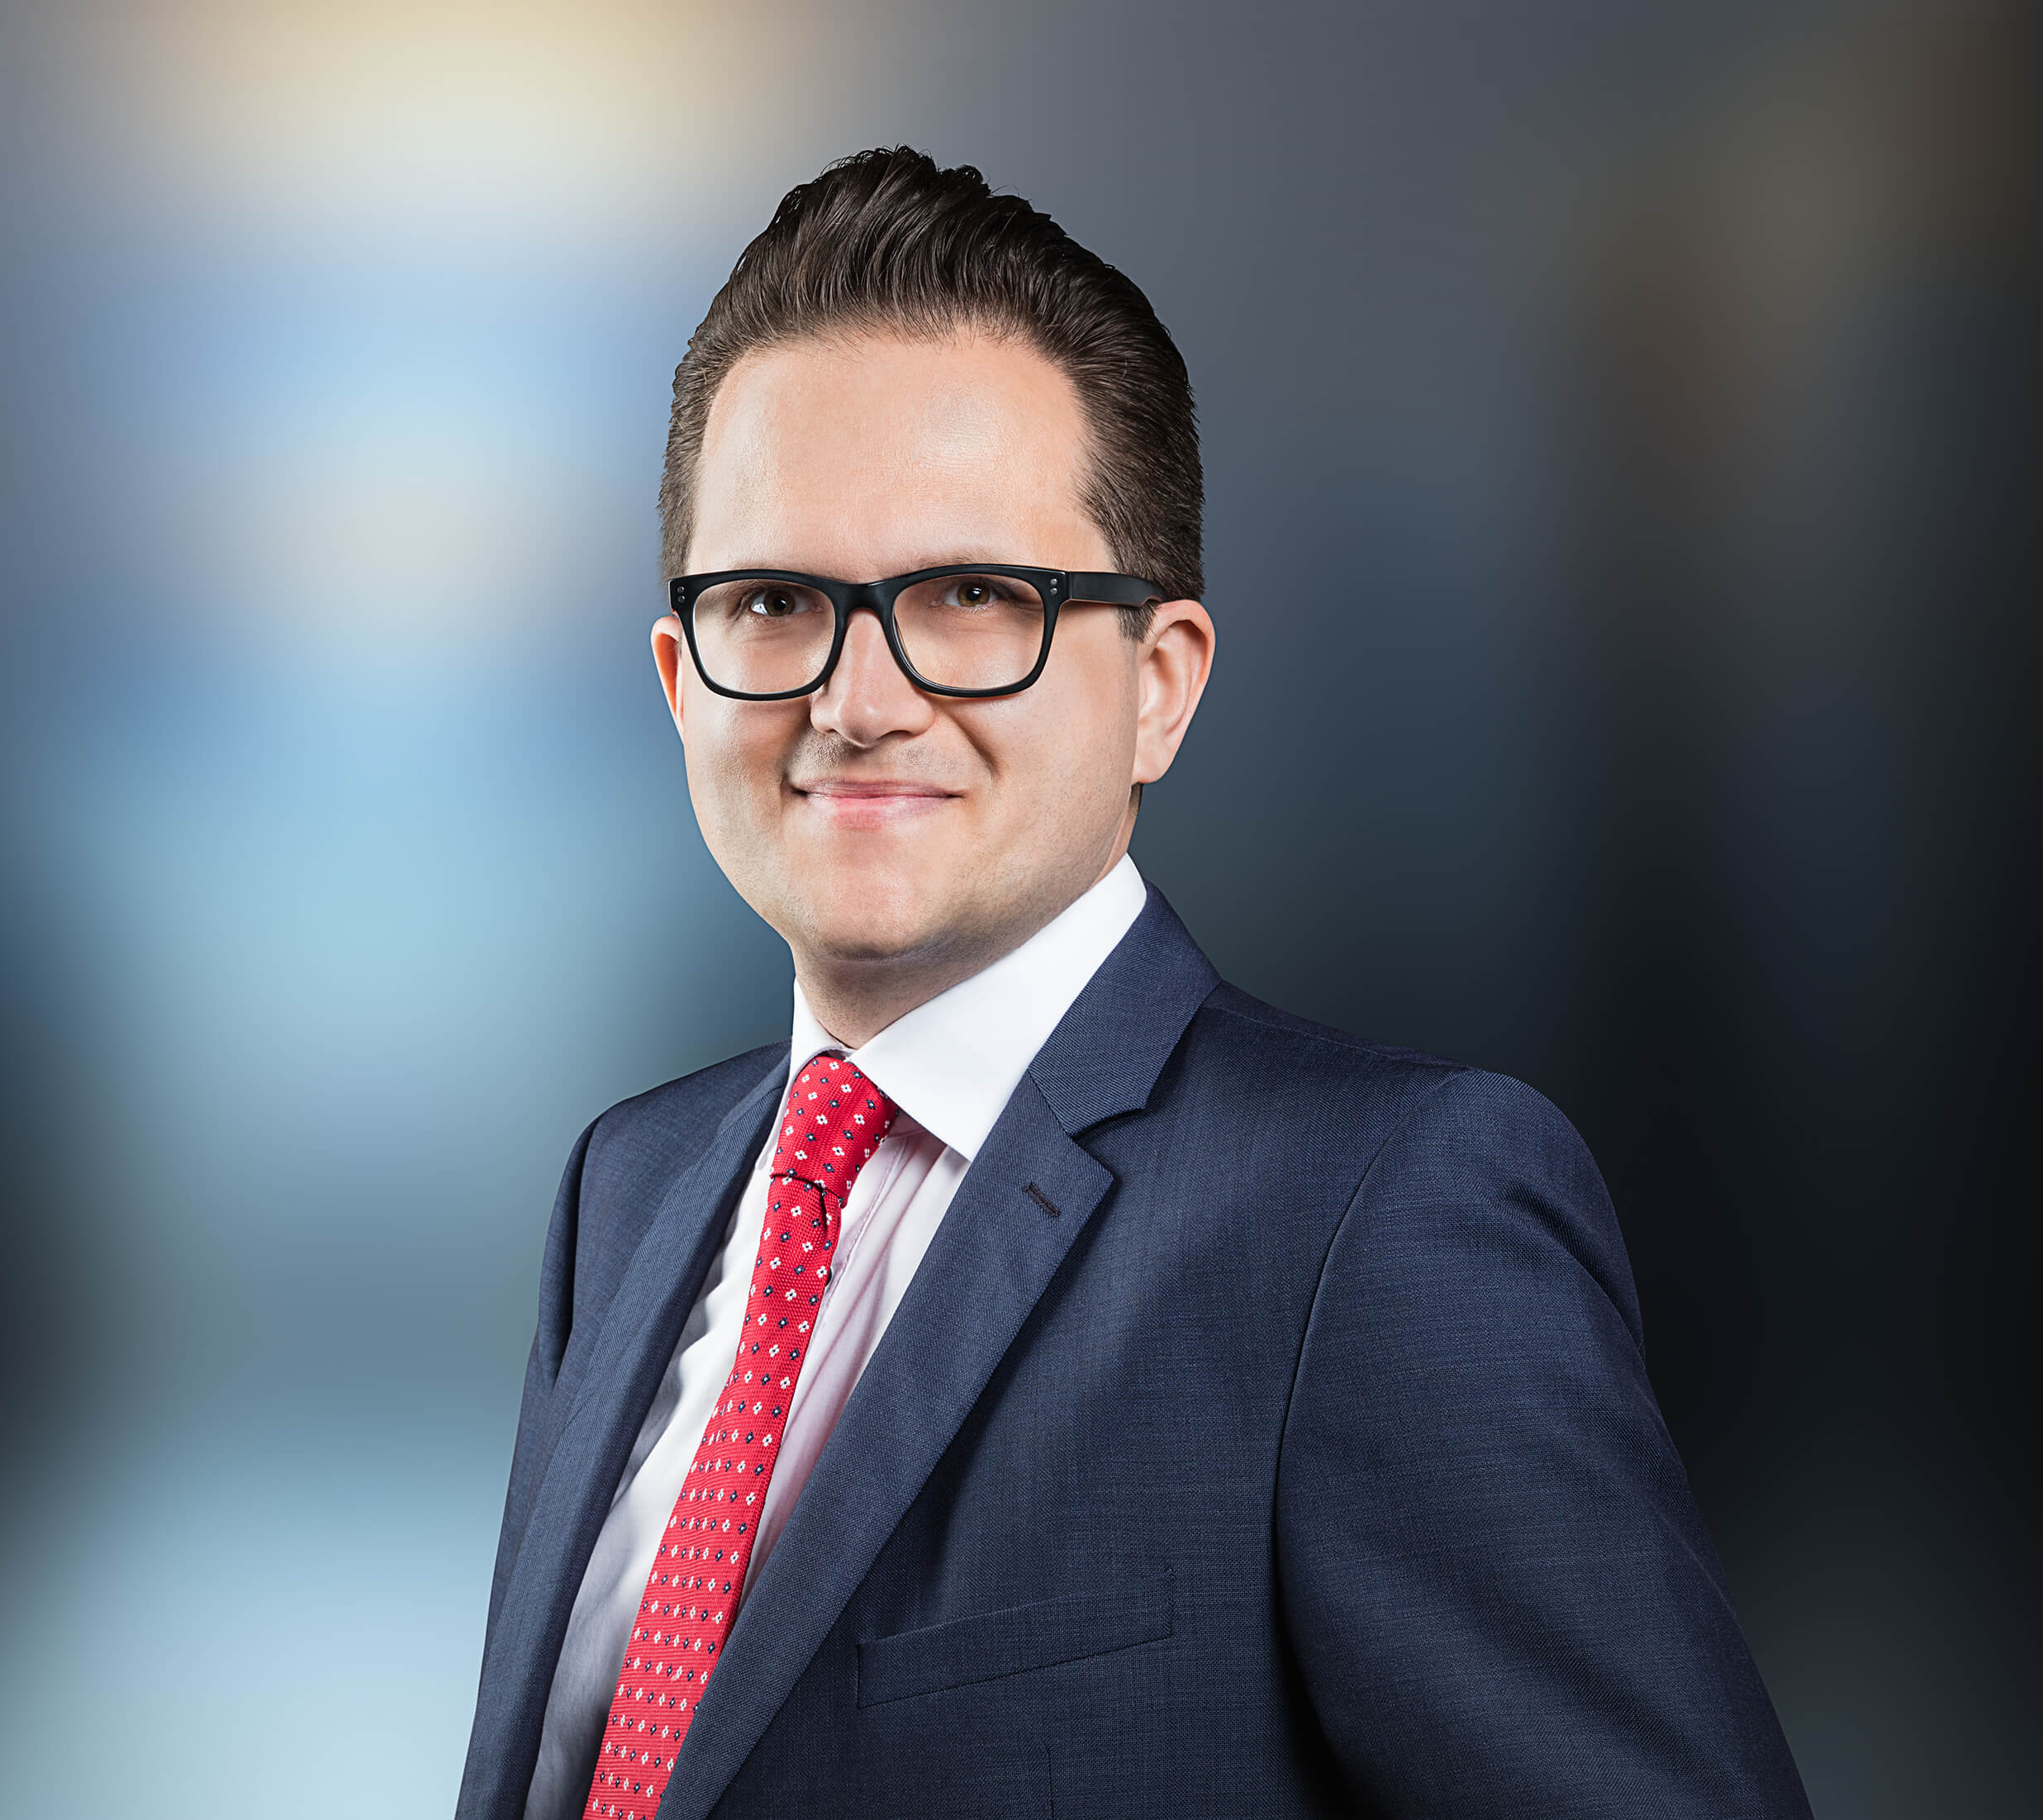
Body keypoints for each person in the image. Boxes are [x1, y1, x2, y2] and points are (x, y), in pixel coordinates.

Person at [456, 147, 1808, 1820]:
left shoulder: (1379, 1222)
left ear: (1159, 683)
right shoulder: (628, 1190)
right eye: (774, 600)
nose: (856, 700)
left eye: (971, 598)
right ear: (680, 678)